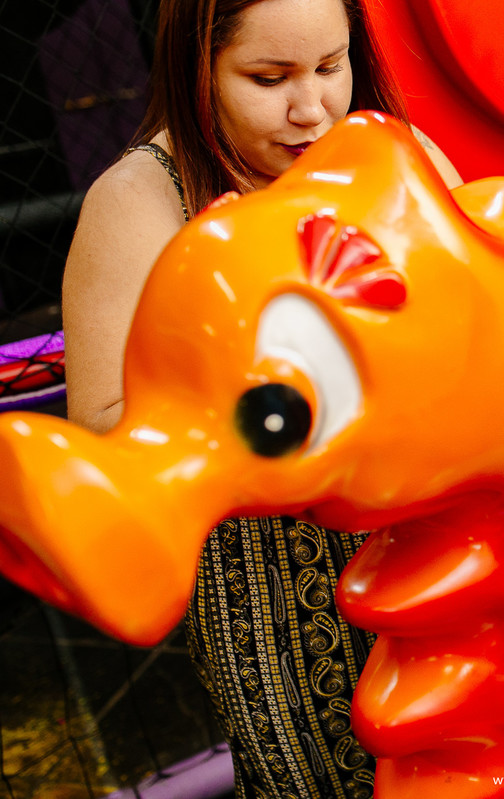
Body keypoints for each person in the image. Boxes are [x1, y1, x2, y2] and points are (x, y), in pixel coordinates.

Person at [60, 0, 461, 796]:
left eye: (329, 67)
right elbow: (102, 433)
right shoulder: (142, 201)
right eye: (268, 78)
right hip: (275, 585)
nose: (310, 107)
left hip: (431, 547)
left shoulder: (394, 152)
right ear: (198, 67)